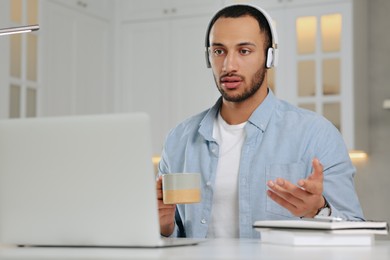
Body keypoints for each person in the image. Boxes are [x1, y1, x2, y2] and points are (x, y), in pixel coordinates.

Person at [156, 4, 364, 239]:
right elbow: (171, 237)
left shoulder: (316, 134)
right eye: (219, 51)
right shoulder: (178, 140)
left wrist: (319, 211)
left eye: (244, 51)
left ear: (269, 56)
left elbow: (355, 231)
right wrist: (165, 228)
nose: (228, 66)